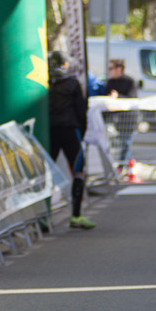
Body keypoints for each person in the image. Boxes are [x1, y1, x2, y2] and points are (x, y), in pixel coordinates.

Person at [48, 50, 96, 230]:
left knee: (47, 172)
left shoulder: (45, 84)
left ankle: (44, 218)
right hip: (70, 129)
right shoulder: (73, 83)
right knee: (78, 171)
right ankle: (76, 215)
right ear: (66, 64)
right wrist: (81, 132)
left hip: (50, 131)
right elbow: (81, 110)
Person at [104, 58, 138, 169]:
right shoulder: (110, 82)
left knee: (125, 143)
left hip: (128, 119)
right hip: (115, 118)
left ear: (119, 69)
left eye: (111, 68)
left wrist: (118, 96)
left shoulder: (129, 81)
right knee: (119, 144)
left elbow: (132, 98)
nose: (109, 71)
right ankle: (129, 167)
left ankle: (122, 167)